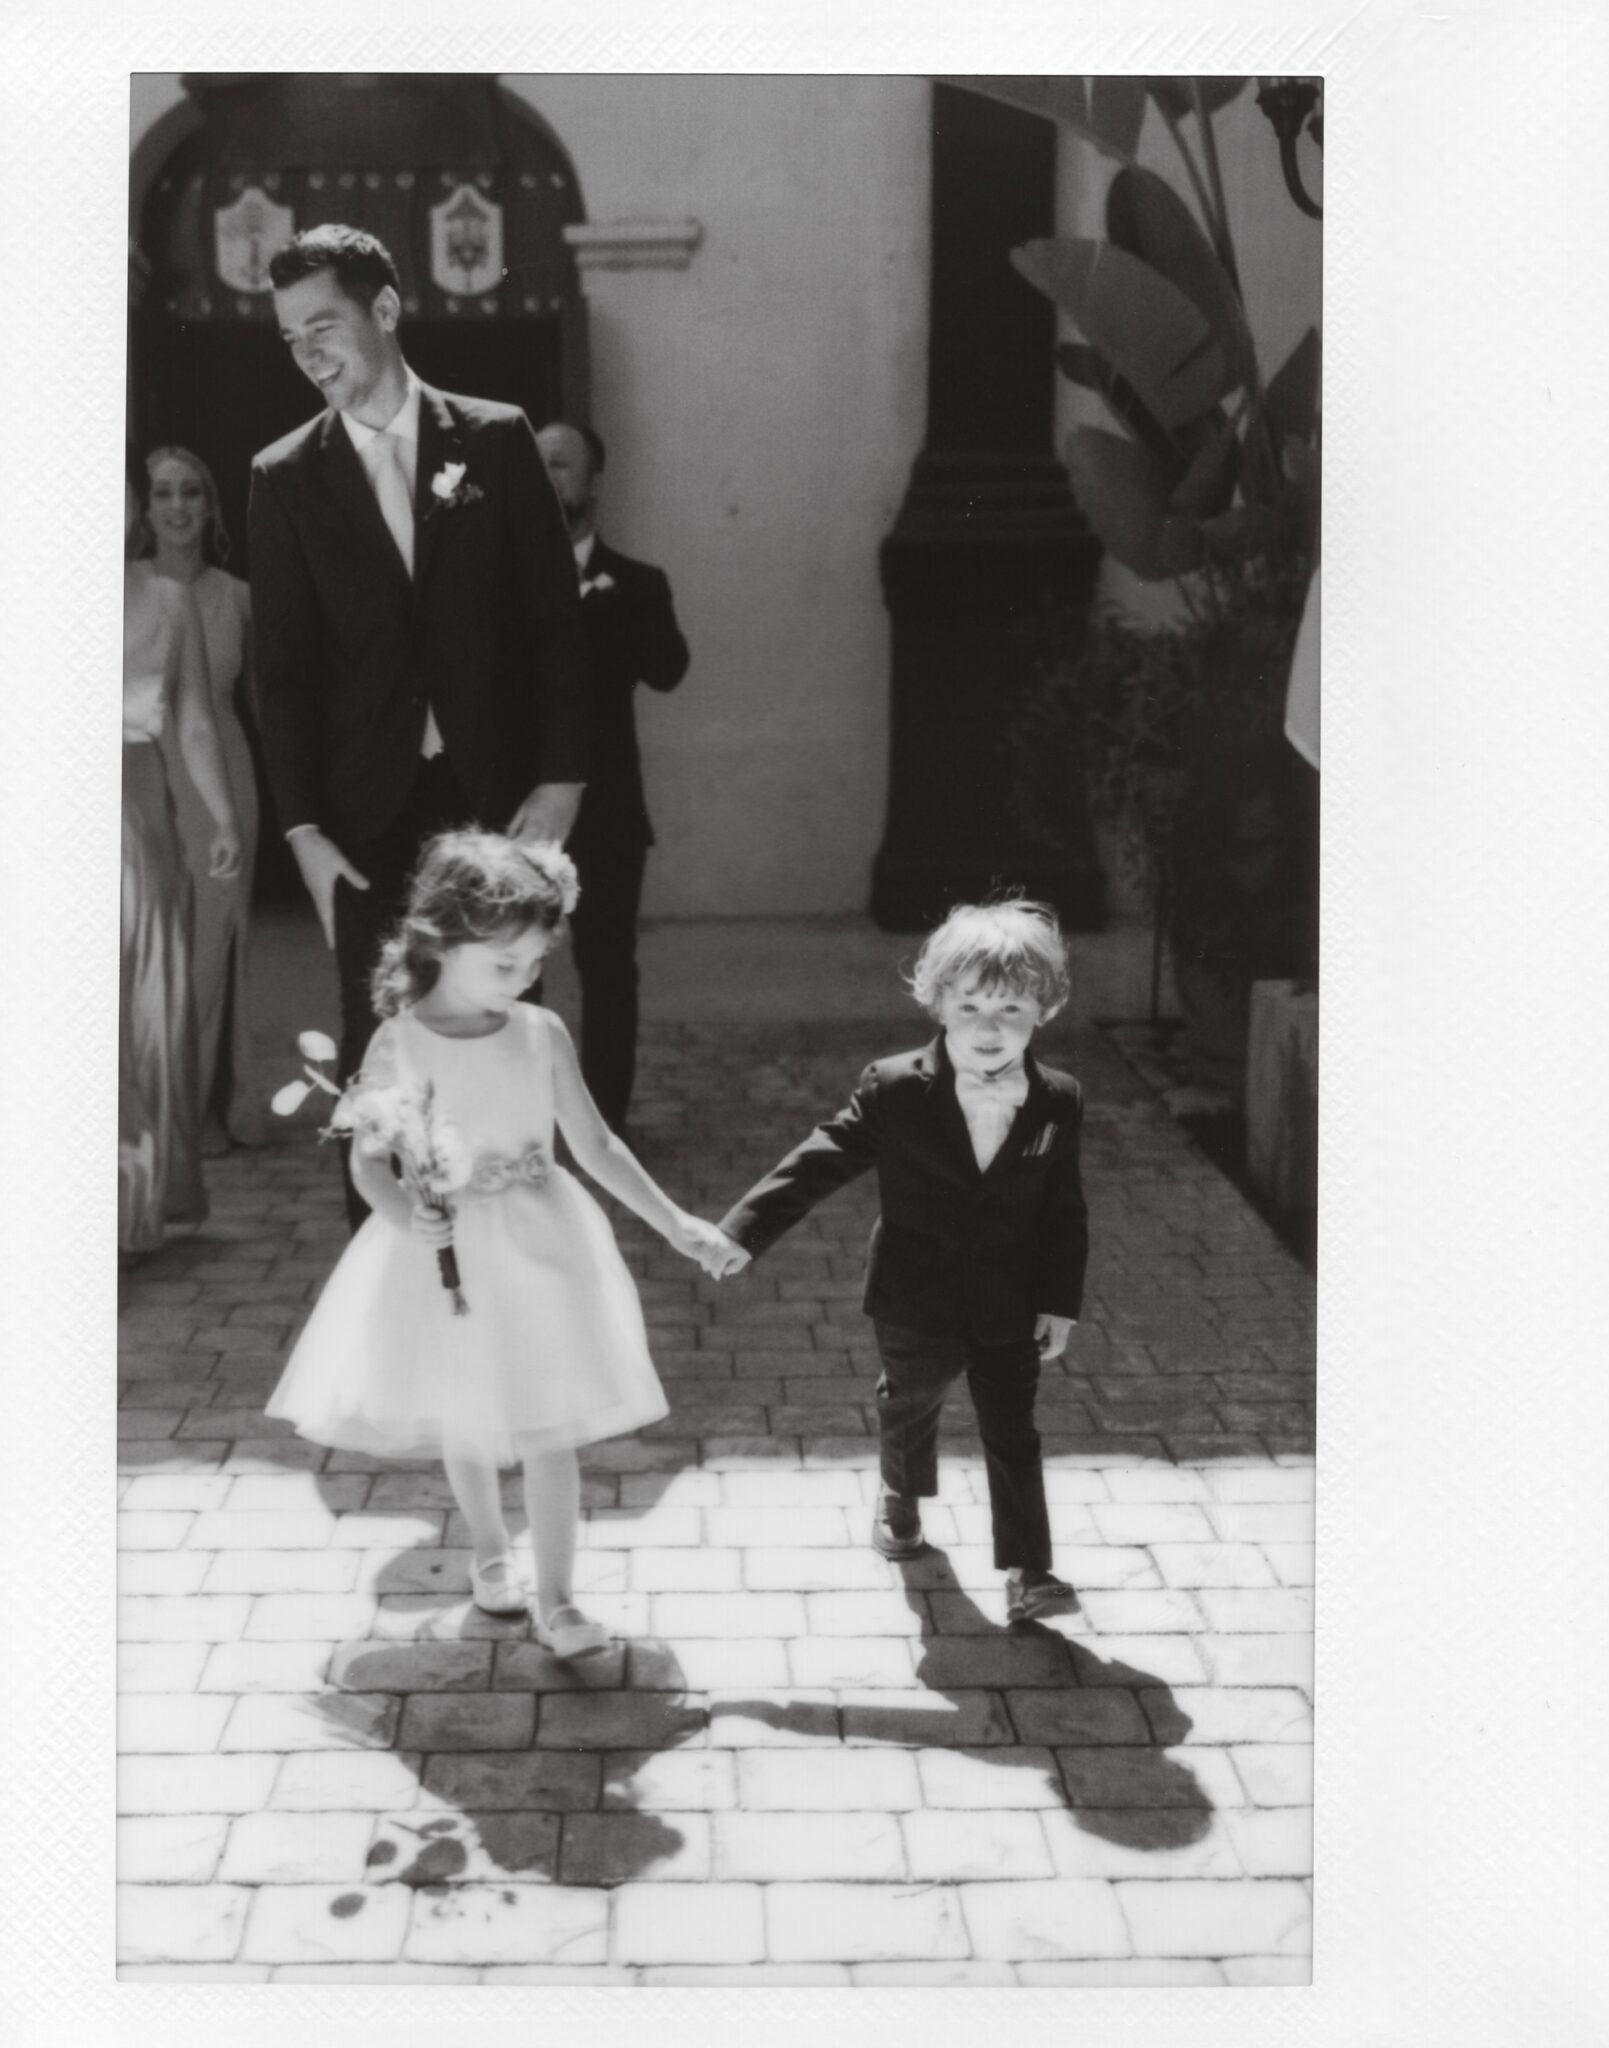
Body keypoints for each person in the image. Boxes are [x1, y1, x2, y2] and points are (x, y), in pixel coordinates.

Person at [265, 832, 734, 1655]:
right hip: (447, 1251)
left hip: (544, 1245)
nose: (521, 980)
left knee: (550, 1423)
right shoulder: (399, 1040)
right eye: (504, 963)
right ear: (440, 943)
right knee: (468, 1410)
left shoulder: (540, 1031)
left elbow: (595, 1146)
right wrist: (405, 1217)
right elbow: (369, 1157)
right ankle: (488, 1550)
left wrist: (675, 1223)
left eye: (531, 962)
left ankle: (558, 1602)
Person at [249, 225, 589, 1225]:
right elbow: (283, 673)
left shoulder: (492, 438)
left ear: (385, 310)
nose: (309, 352)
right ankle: (386, 1273)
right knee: (376, 1038)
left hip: (494, 800)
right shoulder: (282, 474)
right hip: (362, 810)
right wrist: (305, 831)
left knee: (497, 1019)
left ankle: (497, 1256)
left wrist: (562, 775)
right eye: (290, 337)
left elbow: (553, 624)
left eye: (325, 324)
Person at [703, 900, 1090, 1623]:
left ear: (1046, 1008)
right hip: (915, 1292)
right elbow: (821, 1159)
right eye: (969, 1004)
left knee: (1013, 1426)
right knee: (910, 1403)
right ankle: (901, 1496)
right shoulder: (894, 1087)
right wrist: (741, 1231)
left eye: (1010, 1007)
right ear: (936, 1001)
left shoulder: (1057, 1100)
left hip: (1009, 1296)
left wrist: (1058, 1301)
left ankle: (1030, 1570)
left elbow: (1063, 1211)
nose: (988, 1026)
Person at [533, 423, 690, 1134]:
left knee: (606, 967)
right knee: (511, 971)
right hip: (518, 811)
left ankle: (602, 1122)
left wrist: (602, 608)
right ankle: (522, 1117)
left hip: (608, 809)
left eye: (560, 465)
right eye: (534, 466)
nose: (546, 477)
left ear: (594, 482)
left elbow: (668, 670)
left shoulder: (637, 582)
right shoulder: (493, 581)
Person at [121, 457, 243, 1258]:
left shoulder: (170, 601)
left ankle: (133, 1202)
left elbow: (195, 725)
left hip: (140, 815)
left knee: (146, 1011)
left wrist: (225, 817)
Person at [143, 444, 265, 1149]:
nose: (179, 506)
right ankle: (149, 1108)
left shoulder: (238, 597)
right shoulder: (118, 589)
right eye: (163, 493)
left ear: (210, 506)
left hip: (224, 777)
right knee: (149, 943)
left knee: (212, 948)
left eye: (192, 492)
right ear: (144, 507)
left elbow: (266, 707)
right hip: (137, 774)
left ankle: (200, 1109)